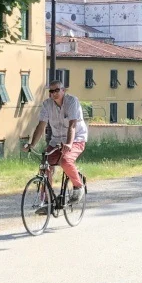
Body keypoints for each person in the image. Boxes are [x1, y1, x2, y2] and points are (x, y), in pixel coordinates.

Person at [24, 79, 87, 211]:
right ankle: (47, 201)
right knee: (44, 165)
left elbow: (72, 125)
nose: (54, 93)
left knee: (65, 161)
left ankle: (78, 186)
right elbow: (41, 126)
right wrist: (31, 144)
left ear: (63, 90)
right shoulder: (47, 105)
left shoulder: (71, 102)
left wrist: (69, 144)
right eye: (51, 91)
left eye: (57, 90)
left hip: (76, 139)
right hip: (56, 141)